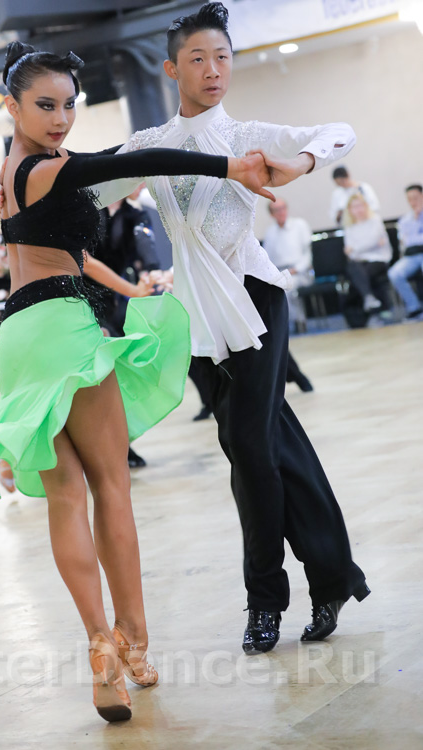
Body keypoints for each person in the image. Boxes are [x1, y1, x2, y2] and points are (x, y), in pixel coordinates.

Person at [0, 41, 277, 722]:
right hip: (62, 326)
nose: (61, 118)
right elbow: (135, 161)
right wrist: (230, 164)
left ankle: (99, 651)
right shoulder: (52, 167)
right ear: (13, 106)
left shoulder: (11, 171)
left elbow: (70, 246)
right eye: (45, 105)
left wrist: (128, 289)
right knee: (111, 486)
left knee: (64, 497)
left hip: (20, 338)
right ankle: (133, 642)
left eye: (69, 104)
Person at [69, 2, 370, 655]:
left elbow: (340, 131)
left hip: (254, 299)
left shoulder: (245, 135)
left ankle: (265, 601)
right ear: (171, 68)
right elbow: (87, 184)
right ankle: (333, 577)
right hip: (197, 316)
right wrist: (28, 181)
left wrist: (301, 163)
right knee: (269, 444)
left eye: (222, 57)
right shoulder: (149, 146)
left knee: (250, 446)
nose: (213, 70)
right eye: (198, 59)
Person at [262, 198, 312, 333]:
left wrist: (296, 269)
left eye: (283, 208)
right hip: (279, 272)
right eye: (276, 210)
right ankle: (275, 327)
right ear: (271, 214)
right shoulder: (270, 232)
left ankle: (298, 321)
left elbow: (307, 255)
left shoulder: (300, 225)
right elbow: (267, 258)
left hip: (300, 271)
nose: (281, 212)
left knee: (288, 288)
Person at [343, 193, 393, 313]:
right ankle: (371, 300)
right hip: (359, 262)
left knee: (359, 276)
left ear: (366, 206)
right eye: (355, 207)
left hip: (379, 259)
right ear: (350, 210)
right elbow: (350, 253)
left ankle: (369, 302)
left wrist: (354, 248)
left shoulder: (375, 220)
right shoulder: (349, 227)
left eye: (360, 205)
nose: (358, 209)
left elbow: (373, 241)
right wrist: (363, 247)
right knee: (353, 267)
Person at [387, 184, 423, 320]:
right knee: (394, 273)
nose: (413, 202)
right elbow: (406, 242)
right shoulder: (405, 220)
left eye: (415, 198)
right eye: (409, 199)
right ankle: (414, 308)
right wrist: (415, 219)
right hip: (411, 255)